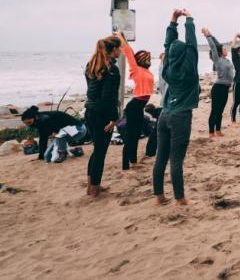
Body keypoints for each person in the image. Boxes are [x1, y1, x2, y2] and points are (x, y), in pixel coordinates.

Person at [154, 8, 200, 206]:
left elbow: (168, 43)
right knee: (176, 160)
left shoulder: (166, 68)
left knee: (160, 157)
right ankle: (180, 199)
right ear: (184, 55)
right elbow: (192, 45)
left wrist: (173, 20)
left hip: (164, 115)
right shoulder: (189, 70)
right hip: (180, 117)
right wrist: (189, 20)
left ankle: (159, 196)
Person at [83, 35, 122, 197]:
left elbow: (92, 92)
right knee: (100, 152)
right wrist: (114, 118)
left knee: (96, 150)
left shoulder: (91, 65)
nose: (120, 51)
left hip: (90, 112)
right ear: (113, 50)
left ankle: (91, 185)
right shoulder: (112, 70)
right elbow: (109, 97)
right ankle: (95, 189)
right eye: (119, 48)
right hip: (101, 115)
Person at [115, 31, 154, 171]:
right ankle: (125, 166)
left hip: (139, 107)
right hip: (134, 106)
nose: (148, 59)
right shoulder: (136, 69)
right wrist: (121, 38)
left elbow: (131, 51)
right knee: (131, 136)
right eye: (146, 57)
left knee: (136, 134)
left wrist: (124, 38)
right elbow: (129, 53)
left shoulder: (147, 70)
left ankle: (134, 161)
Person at [21, 106, 87, 163]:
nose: (29, 125)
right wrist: (41, 156)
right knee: (47, 156)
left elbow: (56, 131)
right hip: (69, 132)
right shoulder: (39, 120)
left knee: (59, 135)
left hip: (78, 129)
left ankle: (62, 155)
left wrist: (55, 132)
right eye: (26, 124)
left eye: (29, 122)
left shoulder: (45, 119)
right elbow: (43, 139)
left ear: (35, 117)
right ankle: (77, 151)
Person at [202, 28, 235, 137]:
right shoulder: (217, 59)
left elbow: (218, 45)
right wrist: (207, 36)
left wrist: (212, 34)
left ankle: (218, 130)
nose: (226, 50)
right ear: (221, 52)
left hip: (226, 88)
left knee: (220, 111)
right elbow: (213, 47)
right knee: (214, 110)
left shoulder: (227, 61)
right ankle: (211, 132)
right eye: (225, 49)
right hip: (218, 88)